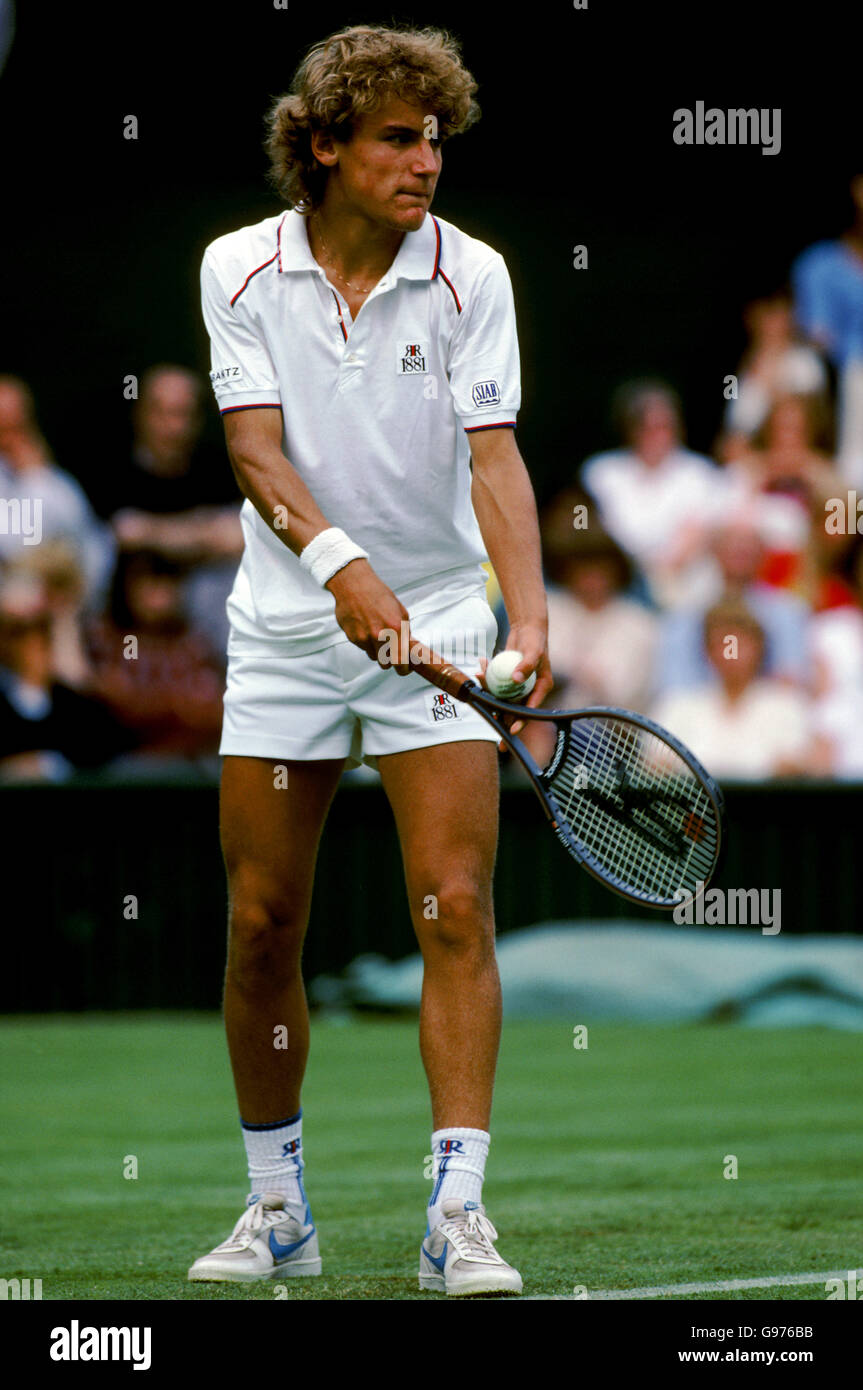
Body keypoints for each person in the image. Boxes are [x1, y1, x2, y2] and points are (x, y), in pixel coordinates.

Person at [189, 23, 552, 1297]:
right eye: (398, 137)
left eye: (435, 137)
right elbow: (253, 455)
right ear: (326, 145)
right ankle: (276, 1207)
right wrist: (343, 574)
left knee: (454, 905)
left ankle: (457, 1216)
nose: (425, 161)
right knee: (257, 923)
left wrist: (528, 618)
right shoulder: (236, 267)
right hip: (287, 630)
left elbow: (494, 455)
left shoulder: (476, 276)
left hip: (444, 618)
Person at [580, 379, 724, 610]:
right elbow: (591, 534)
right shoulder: (601, 472)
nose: (657, 435)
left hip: (680, 587)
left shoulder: (700, 473)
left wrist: (653, 576)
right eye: (647, 427)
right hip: (615, 584)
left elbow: (696, 538)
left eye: (665, 426)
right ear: (630, 429)